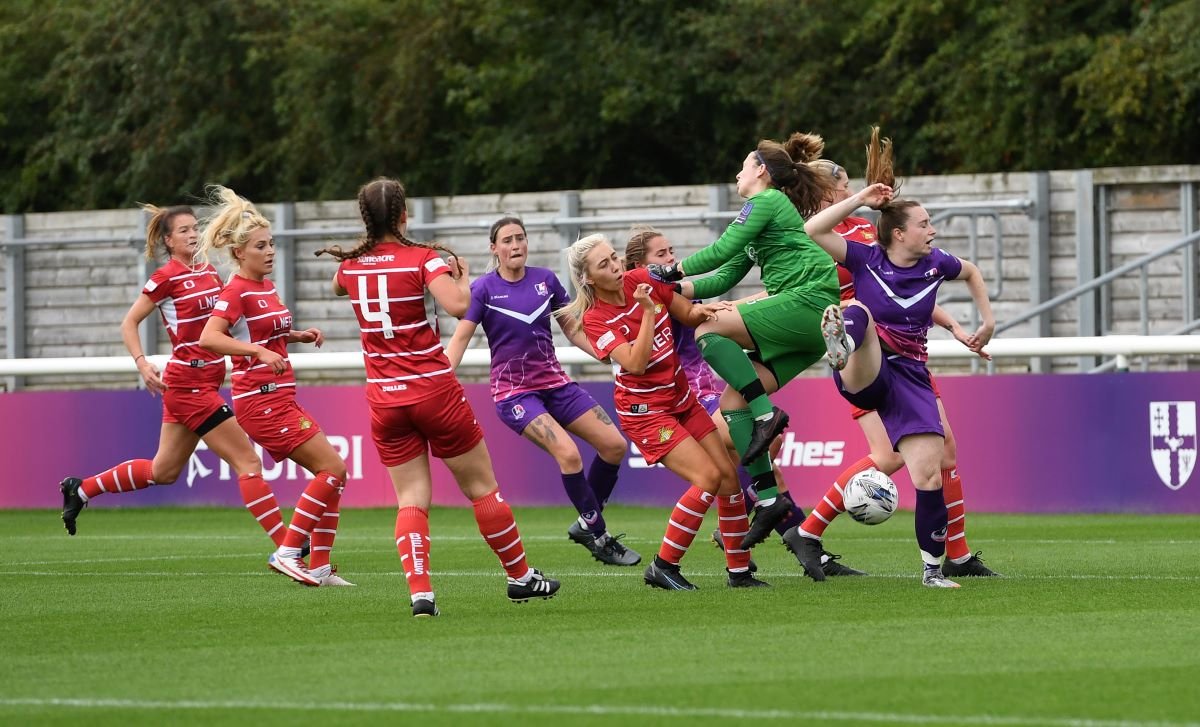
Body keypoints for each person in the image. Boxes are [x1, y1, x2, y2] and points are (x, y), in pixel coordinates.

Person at [319, 177, 561, 616]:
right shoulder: (424, 259)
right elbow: (456, 305)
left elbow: (337, 285)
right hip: (433, 390)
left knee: (411, 498)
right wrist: (462, 279)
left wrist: (365, 252)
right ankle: (521, 577)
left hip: (384, 399)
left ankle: (421, 594)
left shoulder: (351, 266)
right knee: (482, 488)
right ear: (404, 216)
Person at [781, 133, 996, 588]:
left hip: (908, 356)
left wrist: (957, 326)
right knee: (886, 454)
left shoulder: (877, 234)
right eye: (843, 188)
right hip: (863, 348)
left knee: (942, 455)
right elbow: (793, 284)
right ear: (828, 194)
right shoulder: (822, 238)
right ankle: (809, 530)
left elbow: (912, 293)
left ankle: (948, 557)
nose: (850, 191)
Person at [624, 227, 863, 578]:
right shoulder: (649, 300)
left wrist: (778, 299)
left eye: (671, 251)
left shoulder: (668, 294)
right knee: (755, 451)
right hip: (681, 401)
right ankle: (782, 538)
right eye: (661, 255)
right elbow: (695, 313)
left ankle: (758, 553)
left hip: (704, 395)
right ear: (637, 266)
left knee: (750, 463)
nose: (671, 259)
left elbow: (710, 307)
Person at [648, 132, 843, 549]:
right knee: (731, 403)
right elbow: (723, 277)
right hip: (809, 330)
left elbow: (720, 250)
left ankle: (764, 415)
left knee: (708, 329)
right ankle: (770, 498)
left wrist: (670, 271)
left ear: (759, 170)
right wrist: (670, 291)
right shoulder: (763, 214)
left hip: (809, 303)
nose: (737, 172)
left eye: (743, 164)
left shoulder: (766, 202)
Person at [58, 205, 286, 555]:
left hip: (206, 382)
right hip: (187, 385)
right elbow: (128, 323)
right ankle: (288, 549)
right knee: (249, 462)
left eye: (195, 228)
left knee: (163, 471)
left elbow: (228, 323)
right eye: (183, 231)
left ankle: (82, 488)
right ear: (168, 240)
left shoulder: (210, 270)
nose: (193, 234)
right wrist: (141, 363)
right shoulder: (166, 277)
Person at [563, 233, 767, 590]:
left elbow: (686, 313)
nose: (615, 266)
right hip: (645, 412)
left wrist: (708, 311)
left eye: (614, 257)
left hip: (680, 397)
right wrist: (646, 313)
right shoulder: (595, 319)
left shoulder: (641, 279)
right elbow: (637, 364)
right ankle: (663, 566)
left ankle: (740, 573)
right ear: (588, 279)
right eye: (604, 264)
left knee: (729, 478)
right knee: (708, 478)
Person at [445, 216, 638, 567]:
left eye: (520, 238)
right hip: (515, 395)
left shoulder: (545, 281)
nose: (516, 245)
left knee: (614, 446)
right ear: (495, 248)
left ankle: (586, 521)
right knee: (569, 455)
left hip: (557, 385)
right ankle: (601, 536)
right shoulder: (483, 289)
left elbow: (573, 328)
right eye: (507, 240)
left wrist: (606, 353)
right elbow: (460, 338)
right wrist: (440, 378)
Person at [196, 187, 351, 588]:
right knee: (333, 468)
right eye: (261, 246)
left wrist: (297, 335)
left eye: (272, 244)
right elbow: (209, 338)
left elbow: (269, 331)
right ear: (239, 253)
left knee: (331, 473)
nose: (270, 252)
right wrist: (257, 353)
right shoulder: (236, 291)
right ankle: (287, 552)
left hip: (282, 397)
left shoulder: (264, 287)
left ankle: (317, 566)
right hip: (260, 402)